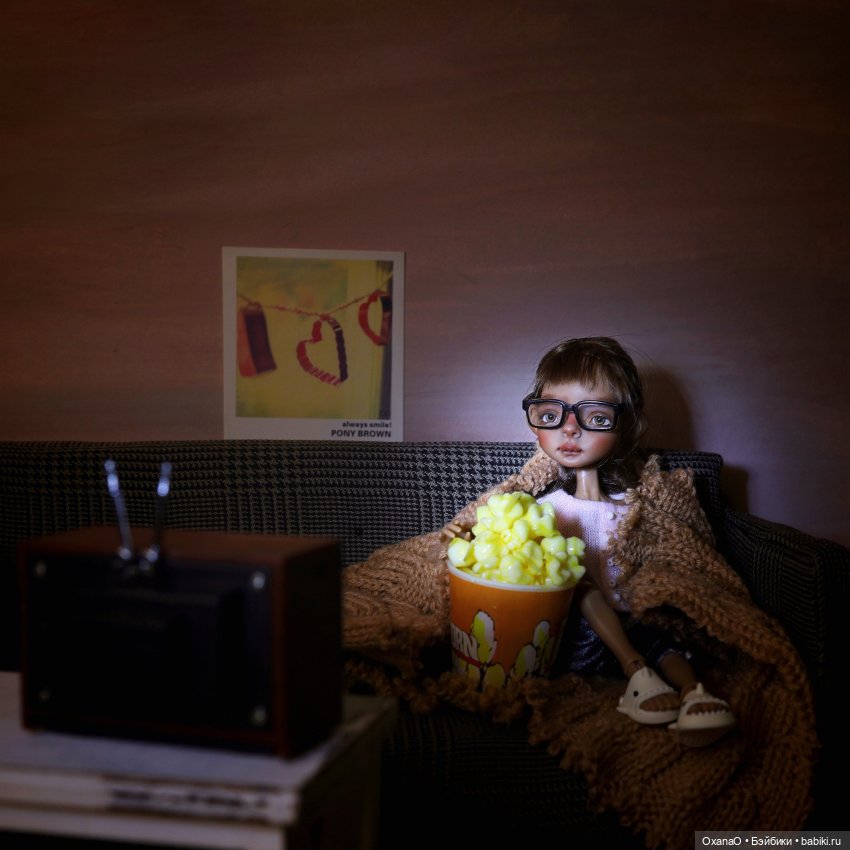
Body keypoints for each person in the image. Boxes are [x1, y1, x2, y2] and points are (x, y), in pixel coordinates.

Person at [443, 336, 736, 747]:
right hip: (576, 638)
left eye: (595, 417)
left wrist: (660, 586)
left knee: (662, 639)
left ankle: (693, 693)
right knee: (580, 584)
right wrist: (470, 536)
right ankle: (637, 673)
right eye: (551, 414)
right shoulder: (539, 510)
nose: (569, 429)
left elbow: (682, 556)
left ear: (625, 425)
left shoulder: (641, 505)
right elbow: (506, 551)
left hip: (637, 617)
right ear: (535, 421)